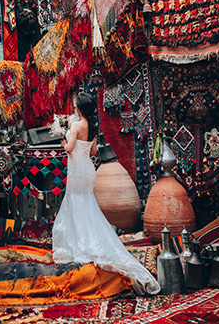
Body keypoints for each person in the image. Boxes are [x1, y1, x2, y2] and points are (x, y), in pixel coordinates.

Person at [52, 92, 160, 295]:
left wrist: (62, 141)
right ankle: (86, 239)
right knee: (85, 204)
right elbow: (93, 152)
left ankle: (78, 242)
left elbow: (69, 148)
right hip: (88, 170)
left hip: (77, 171)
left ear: (79, 108)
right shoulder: (92, 127)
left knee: (76, 204)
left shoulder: (75, 126)